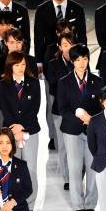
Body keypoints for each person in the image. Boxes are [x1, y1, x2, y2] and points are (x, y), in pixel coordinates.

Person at [57, 43, 103, 211]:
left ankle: (90, 203)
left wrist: (90, 120)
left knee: (93, 166)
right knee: (75, 167)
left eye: (85, 59)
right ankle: (78, 204)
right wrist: (80, 118)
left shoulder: (98, 81)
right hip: (71, 130)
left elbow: (102, 106)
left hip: (92, 130)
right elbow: (62, 108)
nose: (82, 63)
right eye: (78, 59)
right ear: (72, 61)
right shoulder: (64, 82)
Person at [0, 51, 40, 211]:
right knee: (13, 169)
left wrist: (23, 127)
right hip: (11, 134)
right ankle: (14, 203)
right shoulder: (3, 84)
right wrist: (15, 129)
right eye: (17, 65)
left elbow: (34, 108)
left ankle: (29, 205)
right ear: (10, 66)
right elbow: (5, 109)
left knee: (30, 169)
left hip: (30, 131)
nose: (21, 68)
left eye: (23, 64)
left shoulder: (34, 83)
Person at [34, 0, 87, 69]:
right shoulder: (41, 10)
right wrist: (39, 62)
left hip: (74, 57)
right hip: (50, 57)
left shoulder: (77, 8)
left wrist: (83, 55)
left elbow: (82, 35)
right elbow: (38, 38)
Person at [45, 31, 75, 191]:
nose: (68, 48)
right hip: (60, 110)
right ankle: (67, 177)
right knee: (63, 145)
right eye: (65, 45)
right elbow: (54, 85)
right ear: (59, 47)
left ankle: (77, 174)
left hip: (78, 110)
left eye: (71, 44)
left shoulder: (81, 60)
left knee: (77, 145)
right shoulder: (53, 63)